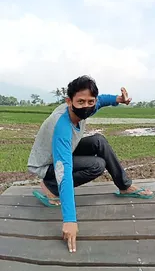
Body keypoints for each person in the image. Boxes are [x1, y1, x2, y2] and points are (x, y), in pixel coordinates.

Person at [28, 75, 153, 253]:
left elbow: (101, 101)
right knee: (97, 165)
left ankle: (125, 186)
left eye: (90, 101)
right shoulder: (62, 126)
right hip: (48, 164)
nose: (86, 106)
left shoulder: (86, 107)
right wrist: (70, 220)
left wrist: (119, 100)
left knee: (99, 141)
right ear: (69, 101)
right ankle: (50, 187)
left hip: (67, 152)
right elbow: (63, 170)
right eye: (81, 101)